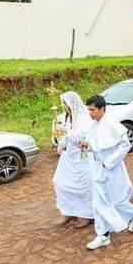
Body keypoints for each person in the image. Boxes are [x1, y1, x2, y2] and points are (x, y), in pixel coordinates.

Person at [81, 95, 133, 250]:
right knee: (98, 202)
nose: (90, 113)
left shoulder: (112, 124)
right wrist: (87, 145)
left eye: (93, 110)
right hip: (98, 167)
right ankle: (103, 235)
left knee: (116, 201)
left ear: (102, 109)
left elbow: (125, 145)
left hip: (112, 168)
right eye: (88, 110)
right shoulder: (93, 126)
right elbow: (96, 145)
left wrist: (109, 162)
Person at [52, 91, 93, 229]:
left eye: (65, 103)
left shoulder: (84, 118)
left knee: (81, 186)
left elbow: (82, 137)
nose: (63, 106)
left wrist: (66, 131)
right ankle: (68, 211)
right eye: (62, 103)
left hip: (81, 157)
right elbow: (62, 139)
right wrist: (60, 140)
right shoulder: (65, 118)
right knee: (60, 182)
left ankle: (86, 214)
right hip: (67, 156)